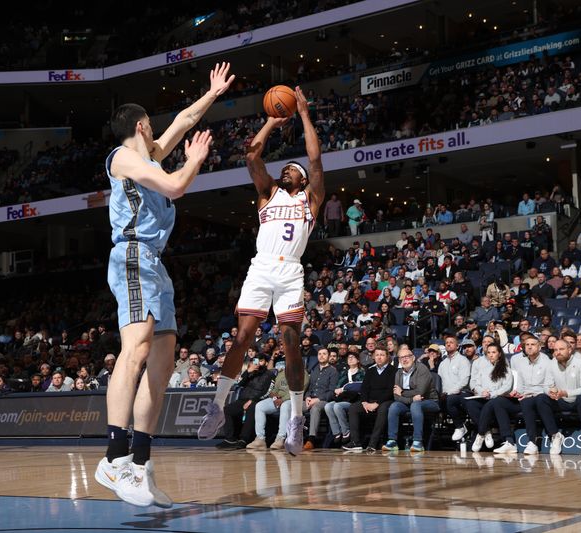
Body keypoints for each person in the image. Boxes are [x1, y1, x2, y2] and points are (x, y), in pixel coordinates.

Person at [95, 62, 234, 508]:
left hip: (154, 263)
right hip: (133, 256)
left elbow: (183, 121)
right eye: (151, 126)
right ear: (139, 125)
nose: (159, 132)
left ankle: (140, 464)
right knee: (135, 349)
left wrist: (212, 94)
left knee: (162, 362)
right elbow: (175, 186)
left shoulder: (148, 153)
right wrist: (193, 161)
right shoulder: (123, 158)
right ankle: (114, 458)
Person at [199, 86, 325, 457]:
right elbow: (252, 155)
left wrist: (303, 113)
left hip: (290, 273)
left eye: (294, 169)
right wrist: (271, 120)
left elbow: (316, 161)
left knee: (290, 344)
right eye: (285, 167)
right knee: (241, 338)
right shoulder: (267, 194)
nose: (288, 169)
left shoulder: (310, 200)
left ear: (302, 181)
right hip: (261, 267)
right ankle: (217, 407)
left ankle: (297, 418)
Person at [520, 339, 581, 456]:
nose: (558, 352)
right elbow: (546, 386)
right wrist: (551, 392)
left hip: (577, 400)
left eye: (561, 349)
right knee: (541, 398)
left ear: (569, 350)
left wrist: (565, 393)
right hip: (561, 400)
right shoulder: (552, 363)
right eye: (556, 350)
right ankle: (555, 435)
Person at [382, 347, 440, 452]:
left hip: (430, 401)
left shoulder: (422, 368)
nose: (404, 359)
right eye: (401, 358)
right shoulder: (398, 373)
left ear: (413, 358)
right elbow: (396, 396)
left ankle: (418, 442)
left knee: (416, 405)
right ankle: (392, 441)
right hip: (411, 402)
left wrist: (403, 393)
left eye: (407, 356)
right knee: (394, 406)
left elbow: (420, 392)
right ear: (399, 360)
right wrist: (411, 399)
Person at [342, 348, 397, 451]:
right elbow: (364, 389)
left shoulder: (393, 370)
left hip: (385, 401)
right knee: (353, 408)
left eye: (382, 355)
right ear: (373, 357)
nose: (379, 357)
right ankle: (355, 442)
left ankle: (373, 443)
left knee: (383, 409)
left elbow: (390, 391)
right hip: (369, 401)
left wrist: (377, 403)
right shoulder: (370, 370)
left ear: (387, 357)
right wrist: (364, 402)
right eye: (377, 355)